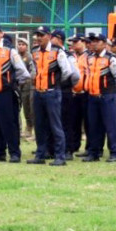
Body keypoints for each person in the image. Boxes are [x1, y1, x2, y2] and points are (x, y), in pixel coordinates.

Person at [27, 26, 76, 166]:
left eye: (41, 35)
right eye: (37, 35)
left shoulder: (57, 51)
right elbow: (33, 70)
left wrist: (55, 83)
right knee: (39, 125)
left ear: (48, 36)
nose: (39, 37)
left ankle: (60, 156)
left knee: (56, 125)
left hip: (52, 92)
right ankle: (40, 154)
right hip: (38, 92)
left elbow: (67, 71)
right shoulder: (35, 51)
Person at [0, 23, 32, 163]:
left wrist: (13, 85)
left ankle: (14, 153)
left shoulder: (10, 51)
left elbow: (23, 72)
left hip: (5, 93)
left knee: (9, 124)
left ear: (1, 33)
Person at [82, 32, 116, 162]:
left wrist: (110, 90)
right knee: (93, 126)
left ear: (105, 44)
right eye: (92, 41)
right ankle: (94, 153)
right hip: (93, 96)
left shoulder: (110, 58)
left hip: (107, 96)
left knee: (110, 125)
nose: (94, 43)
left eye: (97, 41)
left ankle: (114, 152)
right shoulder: (90, 58)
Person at [16, 37, 36, 140]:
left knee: (30, 108)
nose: (21, 46)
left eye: (23, 44)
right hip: (19, 85)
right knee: (23, 107)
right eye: (19, 44)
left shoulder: (29, 57)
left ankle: (30, 128)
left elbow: (31, 71)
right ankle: (27, 128)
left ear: (27, 46)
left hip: (28, 85)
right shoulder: (16, 56)